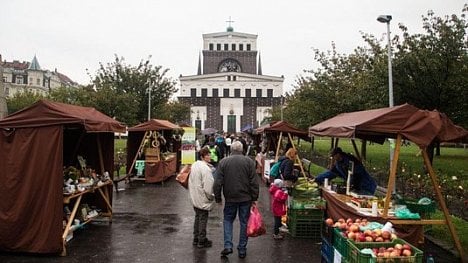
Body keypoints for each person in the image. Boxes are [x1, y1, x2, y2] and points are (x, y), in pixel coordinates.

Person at [213, 141, 259, 259]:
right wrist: (254, 198)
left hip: (230, 198)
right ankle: (242, 249)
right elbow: (254, 182)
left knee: (228, 220)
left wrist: (218, 198)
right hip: (246, 198)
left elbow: (217, 182)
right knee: (244, 222)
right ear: (242, 149)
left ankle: (228, 245)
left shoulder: (224, 162)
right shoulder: (249, 162)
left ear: (231, 149)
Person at [188, 147, 215, 248]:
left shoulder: (195, 165)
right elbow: (208, 187)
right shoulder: (206, 169)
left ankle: (196, 238)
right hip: (202, 197)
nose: (209, 156)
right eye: (207, 155)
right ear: (203, 156)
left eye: (209, 154)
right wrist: (211, 197)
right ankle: (201, 240)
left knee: (198, 216)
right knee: (203, 218)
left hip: (194, 195)